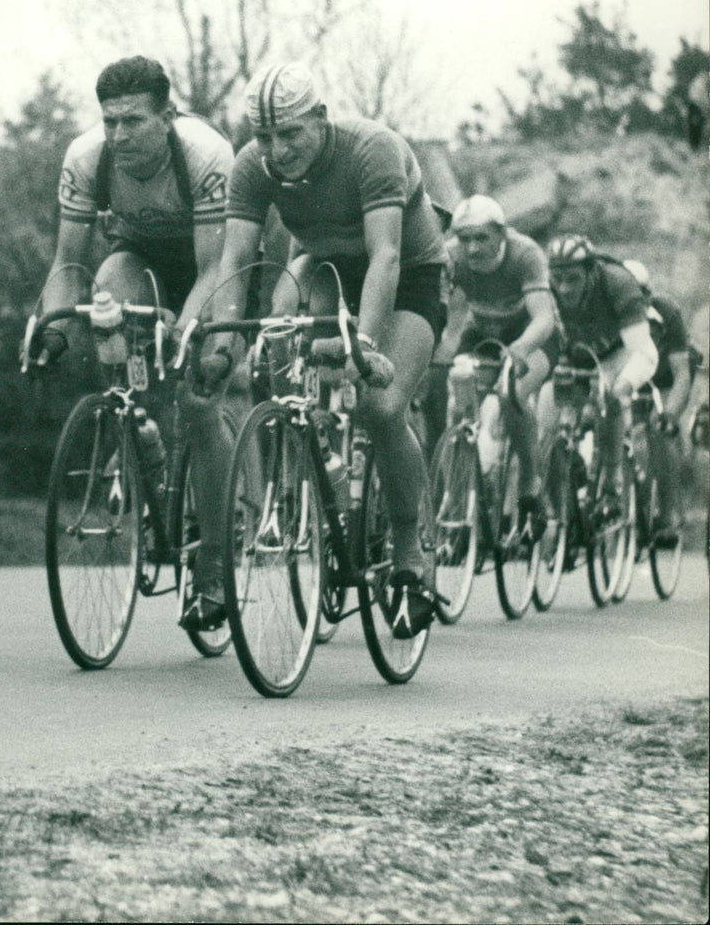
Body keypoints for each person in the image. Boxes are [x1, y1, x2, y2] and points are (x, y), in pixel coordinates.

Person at [203, 60, 447, 638]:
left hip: (408, 272)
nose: (277, 149)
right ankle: (330, 494)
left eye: (290, 133)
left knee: (382, 408)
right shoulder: (251, 165)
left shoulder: (373, 149)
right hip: (324, 267)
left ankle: (412, 556)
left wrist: (363, 344)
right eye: (264, 136)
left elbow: (386, 255)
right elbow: (235, 259)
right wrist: (222, 343)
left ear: (320, 117)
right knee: (295, 377)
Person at [32, 56, 234, 630]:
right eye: (110, 121)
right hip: (139, 257)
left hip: (214, 269)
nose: (118, 135)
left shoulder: (206, 155)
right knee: (104, 302)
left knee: (198, 401)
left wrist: (186, 327)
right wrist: (52, 329)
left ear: (168, 117)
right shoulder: (85, 158)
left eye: (133, 122)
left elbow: (216, 266)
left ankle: (215, 568)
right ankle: (137, 429)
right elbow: (68, 262)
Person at [441, 194, 558, 537]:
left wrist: (521, 347)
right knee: (458, 403)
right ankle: (459, 496)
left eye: (482, 238)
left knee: (512, 394)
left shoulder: (526, 254)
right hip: (482, 331)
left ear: (502, 234)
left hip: (531, 336)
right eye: (465, 239)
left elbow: (543, 318)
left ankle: (530, 482)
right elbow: (439, 310)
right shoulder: (451, 256)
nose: (472, 249)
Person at [540, 236, 658, 513]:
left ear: (591, 271)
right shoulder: (546, 288)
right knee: (546, 418)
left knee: (612, 394)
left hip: (621, 351)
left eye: (573, 278)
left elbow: (642, 350)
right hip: (576, 353)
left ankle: (613, 480)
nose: (565, 288)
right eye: (558, 279)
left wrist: (624, 386)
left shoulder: (617, 282)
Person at [623, 259, 697, 545]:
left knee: (659, 429)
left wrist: (670, 414)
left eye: (637, 298)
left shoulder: (667, 311)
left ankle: (668, 517)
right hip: (629, 377)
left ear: (647, 295)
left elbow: (681, 374)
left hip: (666, 378)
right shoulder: (605, 314)